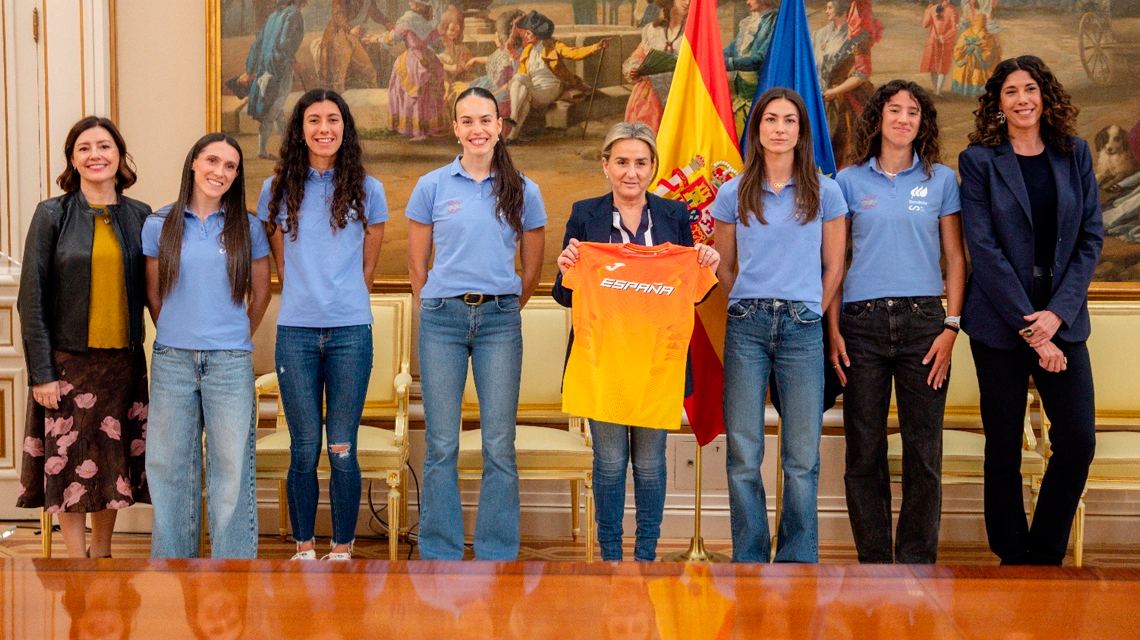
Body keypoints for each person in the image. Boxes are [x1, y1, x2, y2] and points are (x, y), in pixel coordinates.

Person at [550, 122, 720, 562]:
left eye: (641, 163)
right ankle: (610, 556)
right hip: (601, 362)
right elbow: (566, 294)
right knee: (608, 463)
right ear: (605, 165)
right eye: (622, 162)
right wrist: (565, 268)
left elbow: (690, 292)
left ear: (653, 167)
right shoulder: (584, 214)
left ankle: (645, 557)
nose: (631, 172)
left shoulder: (674, 215)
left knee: (649, 463)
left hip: (657, 365)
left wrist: (705, 262)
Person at [958, 56, 1102, 565]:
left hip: (1063, 317)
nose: (1022, 99)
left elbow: (1090, 237)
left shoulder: (1074, 153)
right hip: (999, 323)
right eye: (1011, 92)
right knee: (1003, 447)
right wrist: (1033, 331)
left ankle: (1044, 556)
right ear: (998, 103)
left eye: (1030, 89)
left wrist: (1055, 317)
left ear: (1044, 95)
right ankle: (1011, 557)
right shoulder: (979, 160)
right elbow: (984, 249)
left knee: (1078, 442)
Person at [407, 87, 546, 561]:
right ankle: (440, 554)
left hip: (499, 324)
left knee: (499, 445)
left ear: (500, 127)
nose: (477, 129)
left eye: (485, 119)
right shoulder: (431, 186)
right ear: (455, 129)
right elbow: (417, 265)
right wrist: (433, 303)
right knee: (441, 444)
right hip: (442, 323)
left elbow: (532, 269)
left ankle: (497, 554)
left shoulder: (524, 190)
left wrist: (506, 305)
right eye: (467, 121)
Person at [830, 80, 966, 564]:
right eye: (894, 110)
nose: (903, 119)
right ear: (878, 118)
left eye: (913, 112)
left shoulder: (942, 180)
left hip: (925, 326)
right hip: (860, 326)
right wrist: (833, 330)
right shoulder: (847, 181)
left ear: (922, 122)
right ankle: (873, 564)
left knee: (922, 452)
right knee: (864, 451)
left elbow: (956, 259)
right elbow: (835, 263)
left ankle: (916, 564)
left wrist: (951, 327)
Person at [711, 88, 847, 563]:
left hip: (802, 327)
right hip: (746, 327)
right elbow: (723, 265)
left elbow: (835, 265)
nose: (780, 128)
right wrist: (743, 302)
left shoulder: (826, 191)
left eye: (790, 120)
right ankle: (749, 559)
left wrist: (813, 310)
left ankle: (796, 560)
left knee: (801, 456)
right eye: (771, 119)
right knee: (743, 453)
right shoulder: (732, 192)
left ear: (801, 131)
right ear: (757, 129)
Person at [257, 89, 389, 561]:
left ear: (344, 128)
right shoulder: (274, 191)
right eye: (313, 120)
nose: (323, 128)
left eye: (333, 119)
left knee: (341, 446)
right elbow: (280, 264)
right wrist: (309, 297)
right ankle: (304, 548)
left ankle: (342, 549)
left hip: (351, 332)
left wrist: (341, 300)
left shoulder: (368, 189)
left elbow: (368, 266)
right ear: (300, 130)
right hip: (295, 333)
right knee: (304, 447)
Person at [16, 116, 151, 558]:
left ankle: (103, 553)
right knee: (68, 461)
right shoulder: (51, 214)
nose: (96, 155)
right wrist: (42, 373)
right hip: (66, 364)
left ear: (119, 155)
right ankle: (76, 562)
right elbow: (31, 299)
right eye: (85, 148)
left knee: (112, 462)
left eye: (104, 146)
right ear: (72, 160)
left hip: (123, 364)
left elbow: (156, 289)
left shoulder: (140, 215)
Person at [143, 133, 272, 559]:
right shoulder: (159, 223)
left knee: (231, 469)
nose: (220, 172)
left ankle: (233, 573)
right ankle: (173, 570)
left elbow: (261, 293)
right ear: (194, 163)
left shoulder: (248, 227)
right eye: (212, 161)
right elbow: (154, 295)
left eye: (230, 166)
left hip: (230, 364)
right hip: (172, 362)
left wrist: (232, 337)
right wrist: (180, 333)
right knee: (169, 468)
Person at [505, 10, 610, 141]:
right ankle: (513, 134)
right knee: (520, 81)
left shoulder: (554, 46)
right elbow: (522, 74)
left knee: (521, 84)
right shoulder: (528, 51)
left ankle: (513, 118)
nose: (525, 35)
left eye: (528, 33)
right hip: (534, 89)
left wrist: (596, 47)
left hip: (551, 89)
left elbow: (575, 52)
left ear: (537, 35)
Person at [813, 0, 881, 169]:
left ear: (842, 9)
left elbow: (861, 73)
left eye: (830, 7)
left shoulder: (858, 37)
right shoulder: (820, 34)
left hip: (839, 100)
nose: (826, 10)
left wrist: (835, 91)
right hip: (816, 97)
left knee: (837, 145)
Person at [367, 1, 448, 139]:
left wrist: (377, 39)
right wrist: (425, 46)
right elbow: (439, 47)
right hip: (429, 60)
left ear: (416, 4)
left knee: (407, 94)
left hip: (411, 61)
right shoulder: (430, 21)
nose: (409, 1)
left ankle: (413, 128)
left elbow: (392, 39)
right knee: (427, 94)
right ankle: (427, 127)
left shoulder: (407, 19)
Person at [243, 0, 308, 160]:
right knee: (274, 107)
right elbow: (284, 44)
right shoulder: (294, 15)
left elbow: (257, 44)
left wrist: (250, 70)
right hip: (280, 68)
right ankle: (264, 150)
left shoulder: (272, 16)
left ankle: (288, 145)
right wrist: (294, 62)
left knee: (277, 107)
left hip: (264, 68)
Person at [621, 0, 688, 134]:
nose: (688, 2)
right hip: (650, 99)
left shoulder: (694, 32)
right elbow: (638, 56)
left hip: (681, 95)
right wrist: (635, 70)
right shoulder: (652, 30)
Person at [724, 0, 779, 135]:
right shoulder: (747, 23)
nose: (747, 1)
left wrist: (727, 63)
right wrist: (710, 58)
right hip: (741, 101)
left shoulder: (776, 21)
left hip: (760, 101)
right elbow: (729, 50)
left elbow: (759, 60)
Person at [314, 0, 388, 93]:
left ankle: (373, 98)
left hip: (355, 35)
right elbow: (337, 13)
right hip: (340, 32)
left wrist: (388, 23)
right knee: (338, 76)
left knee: (369, 72)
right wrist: (350, 29)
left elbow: (374, 11)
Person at [469, 10, 524, 120]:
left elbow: (511, 83)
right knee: (474, 89)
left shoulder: (514, 56)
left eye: (497, 35)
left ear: (503, 38)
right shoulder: (503, 51)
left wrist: (494, 94)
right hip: (494, 83)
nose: (495, 37)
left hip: (505, 91)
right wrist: (475, 59)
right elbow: (492, 60)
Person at [950, 0, 1001, 97]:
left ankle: (972, 90)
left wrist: (966, 39)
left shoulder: (970, 9)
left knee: (972, 61)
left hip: (973, 36)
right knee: (982, 61)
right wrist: (998, 44)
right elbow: (992, 29)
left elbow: (963, 26)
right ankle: (978, 90)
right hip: (981, 37)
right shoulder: (985, 10)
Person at [437, 7, 480, 113]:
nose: (454, 34)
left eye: (457, 31)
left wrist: (467, 62)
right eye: (452, 30)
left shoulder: (458, 47)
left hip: (457, 79)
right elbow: (434, 63)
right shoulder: (437, 45)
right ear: (445, 27)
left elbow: (465, 62)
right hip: (442, 80)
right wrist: (451, 68)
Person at [920, 1, 958, 96]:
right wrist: (928, 11)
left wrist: (944, 37)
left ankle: (938, 91)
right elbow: (925, 25)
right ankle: (936, 89)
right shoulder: (933, 9)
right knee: (933, 65)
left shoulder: (952, 10)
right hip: (933, 41)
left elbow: (954, 29)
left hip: (945, 42)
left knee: (943, 66)